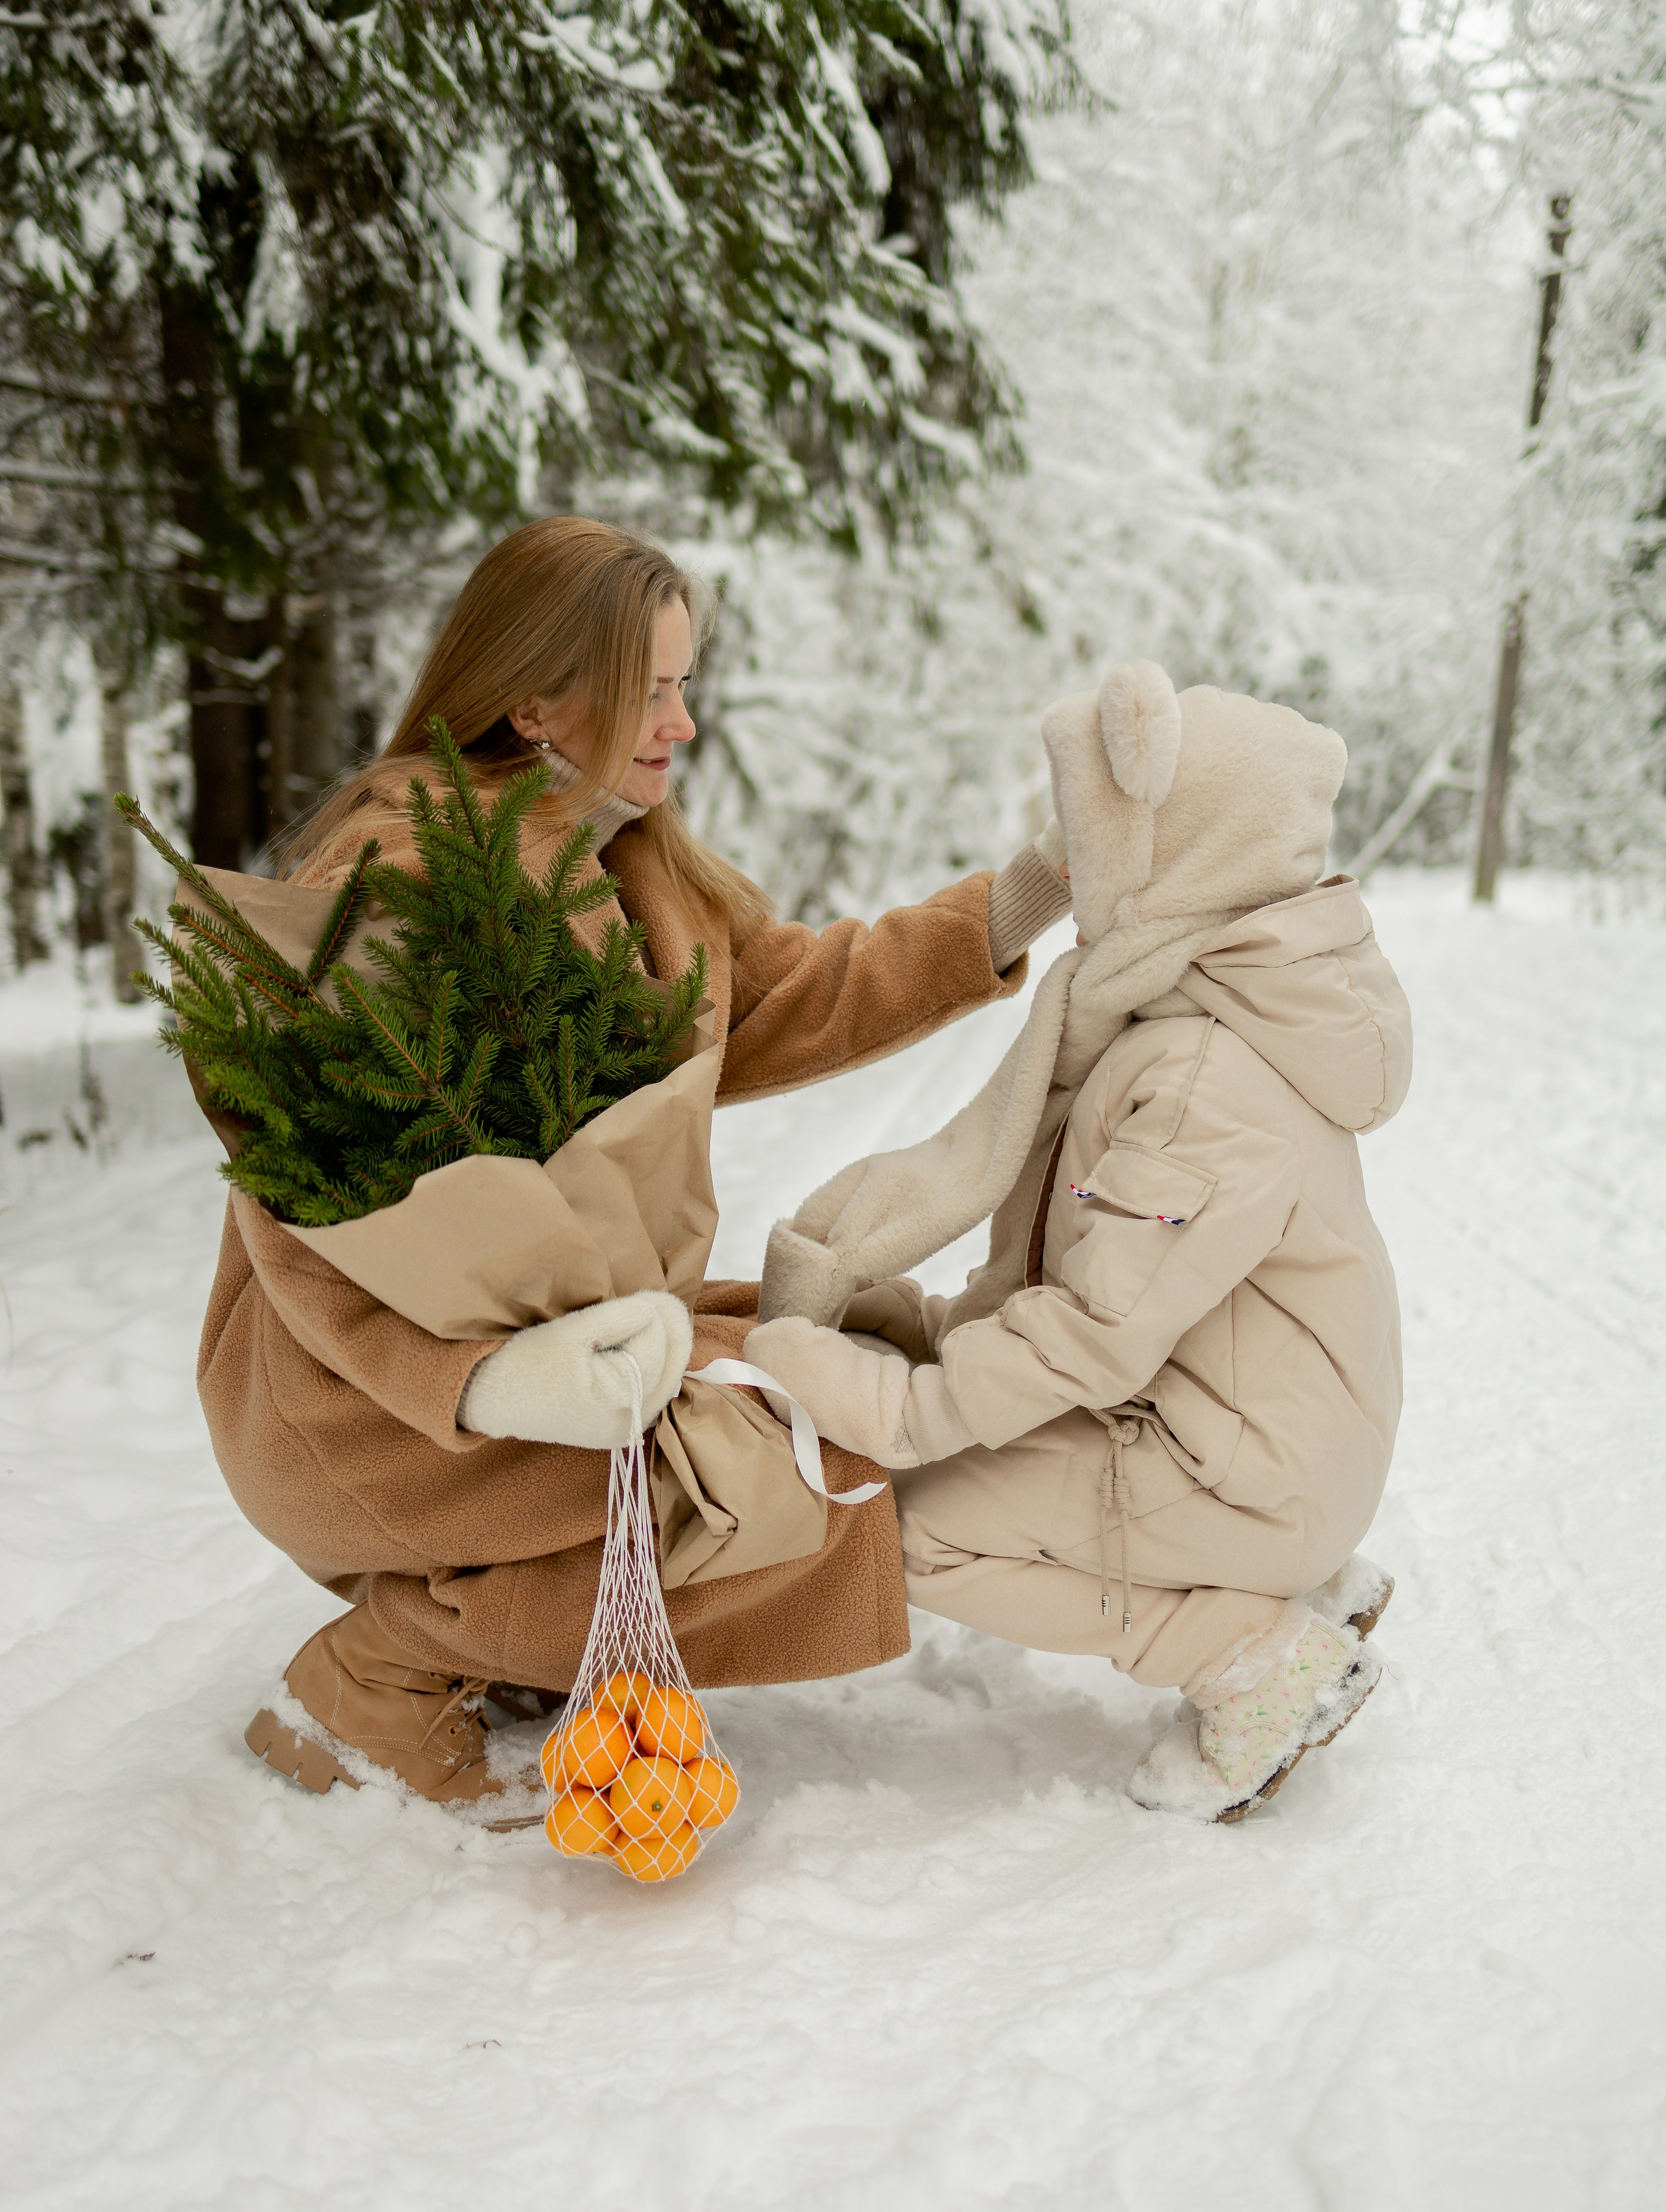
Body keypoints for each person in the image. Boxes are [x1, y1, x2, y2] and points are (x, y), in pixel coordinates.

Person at [202, 516, 1072, 1810]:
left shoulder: (624, 862)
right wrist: (486, 1384)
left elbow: (782, 994)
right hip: (371, 1407)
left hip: (572, 1356)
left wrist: (1024, 896)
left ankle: (499, 1628)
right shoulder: (401, 886)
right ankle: (376, 1675)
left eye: (684, 687)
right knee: (752, 1479)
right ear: (530, 697)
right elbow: (305, 1216)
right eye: (649, 691)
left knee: (833, 1383)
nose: (681, 724)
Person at [746, 661, 1411, 1823]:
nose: (1071, 855)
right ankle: (1278, 1584)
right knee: (950, 1450)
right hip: (1253, 1434)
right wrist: (929, 1329)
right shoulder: (1203, 1004)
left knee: (904, 1523)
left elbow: (1096, 1330)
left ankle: (1249, 1656)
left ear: (1174, 852)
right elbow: (1112, 1278)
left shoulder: (1206, 1073)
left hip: (1247, 1466)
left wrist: (896, 1408)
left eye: (1093, 834)